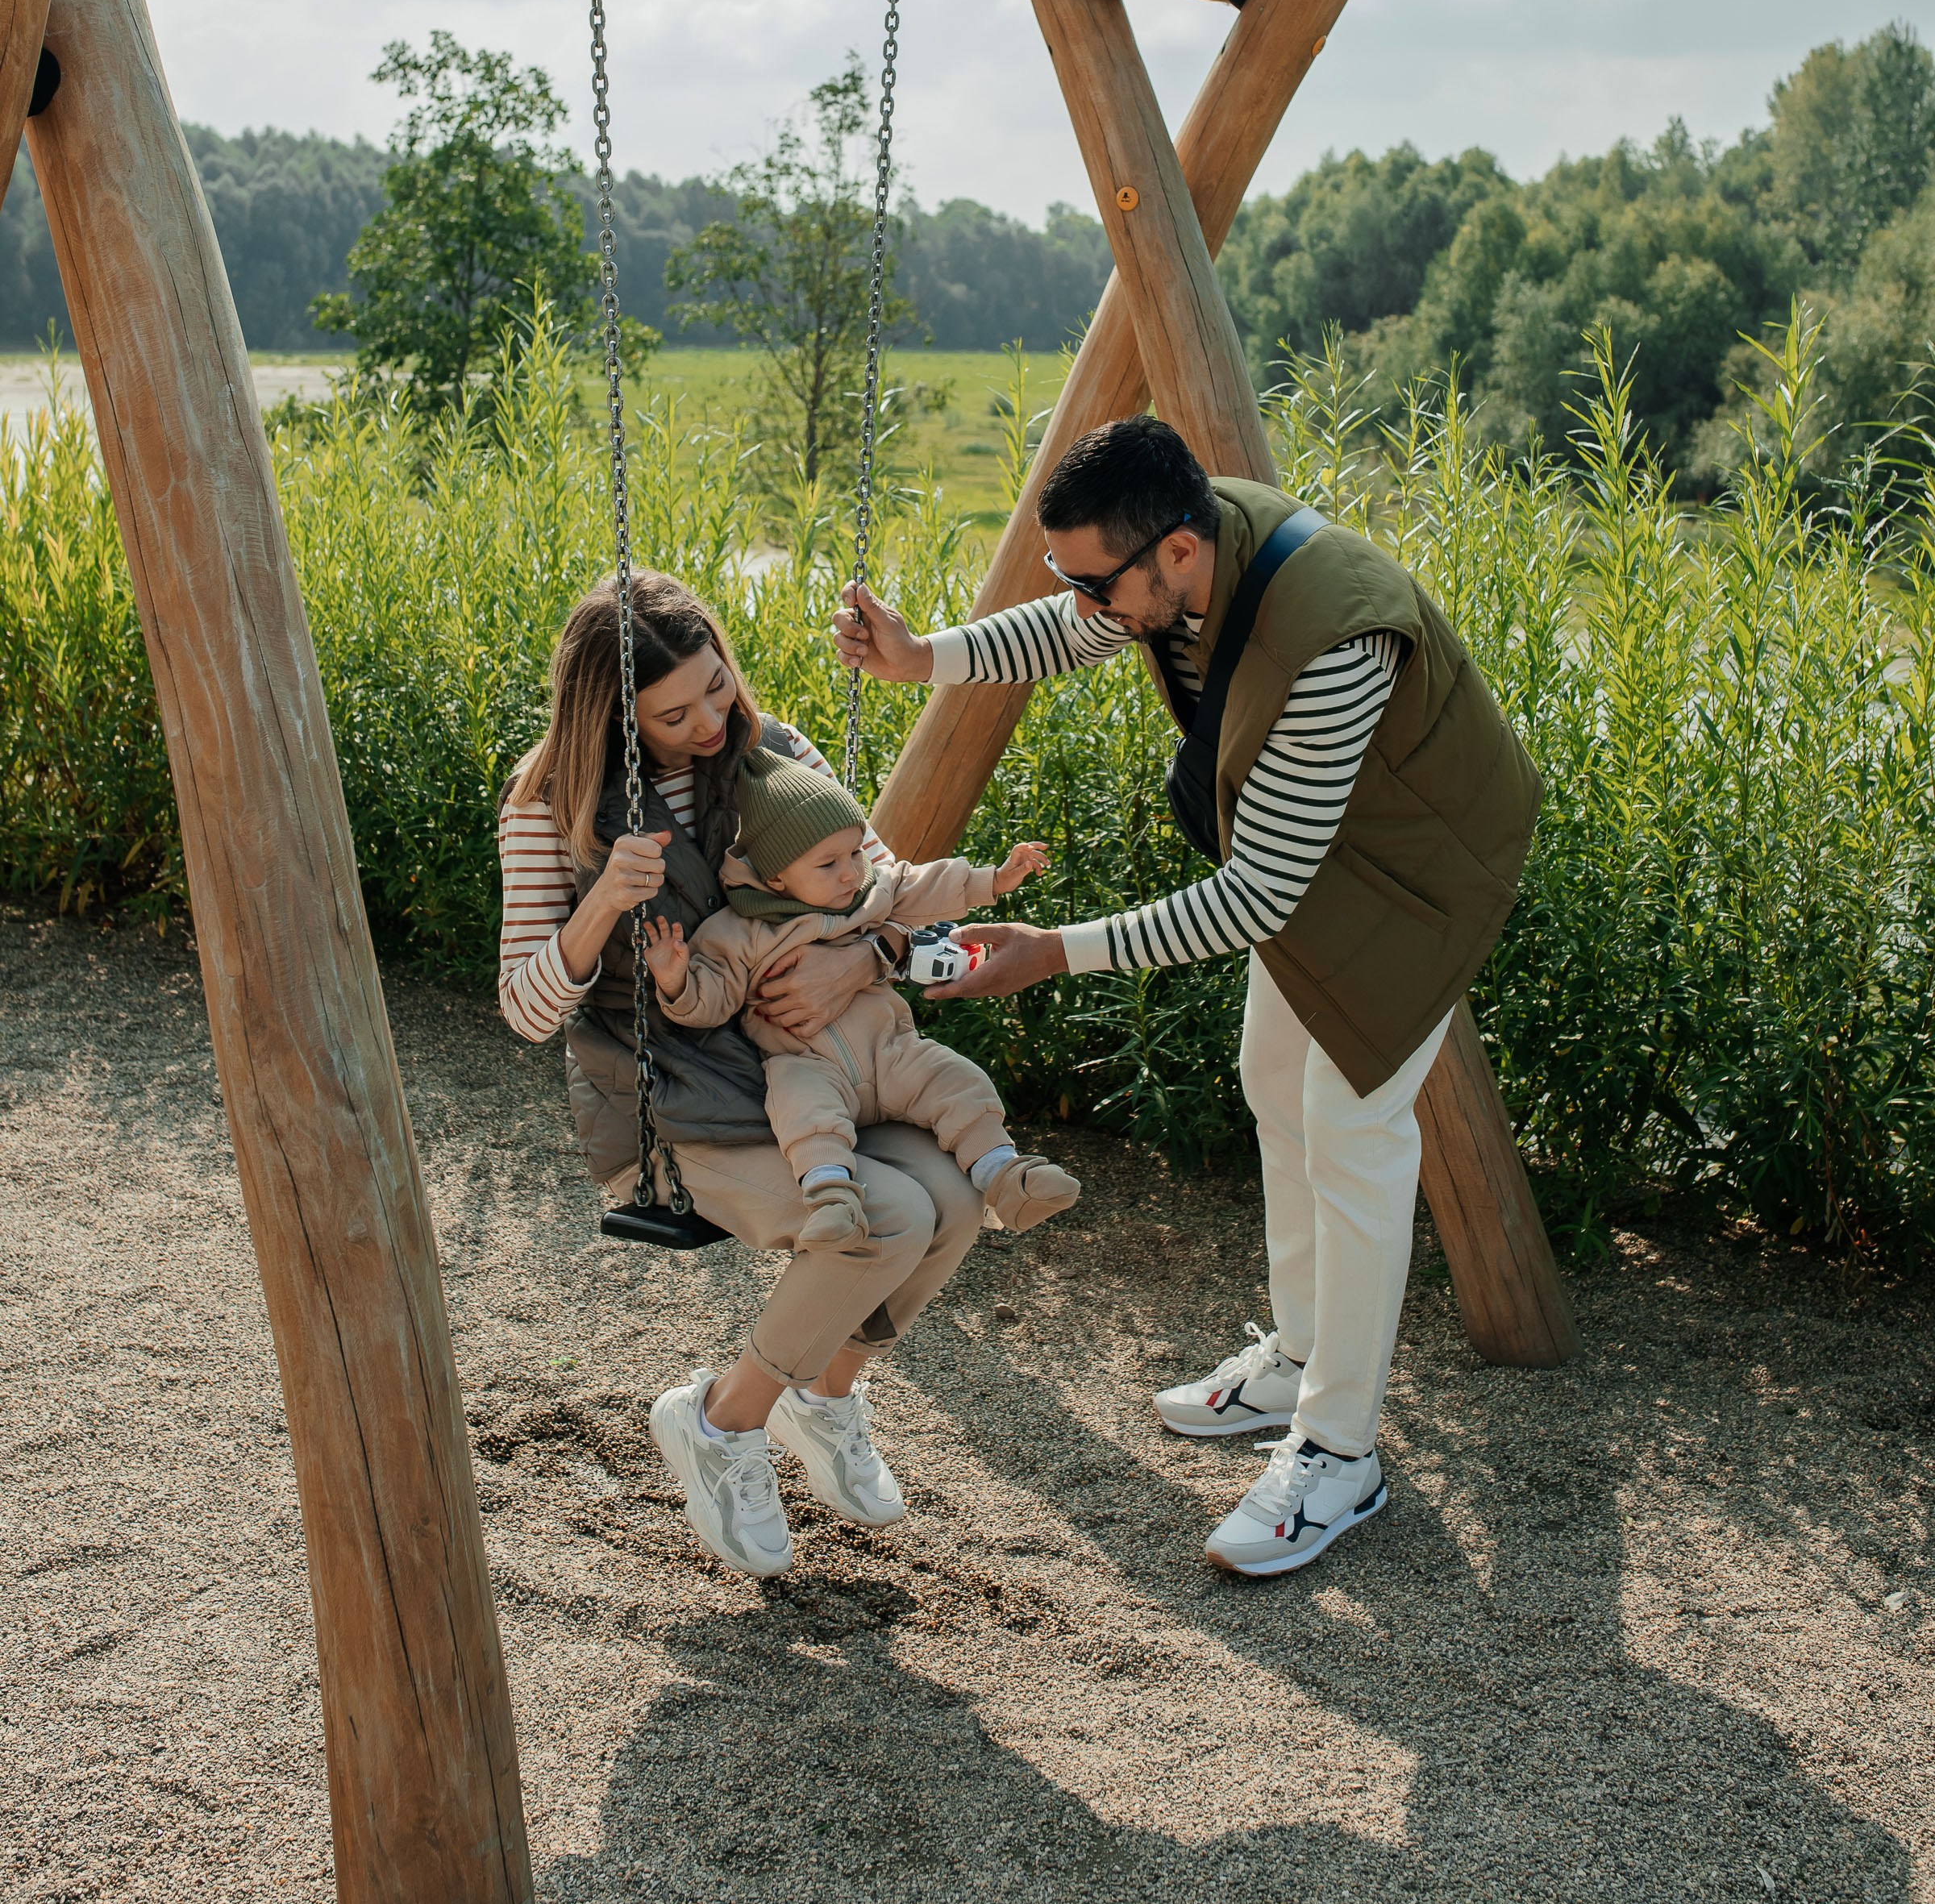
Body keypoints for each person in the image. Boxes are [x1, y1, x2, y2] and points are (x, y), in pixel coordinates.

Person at [833, 417, 1542, 1578]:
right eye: (1072, 578)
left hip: (1422, 870)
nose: (1082, 605)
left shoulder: (1332, 642)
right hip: (1320, 844)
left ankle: (1340, 1450)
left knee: (1354, 1129)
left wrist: (1054, 949)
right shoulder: (1171, 552)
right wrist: (928, 658)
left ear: (1171, 552)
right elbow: (1072, 633)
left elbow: (1255, 898)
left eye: (1095, 583)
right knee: (1276, 1081)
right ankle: (1302, 1355)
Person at [498, 568, 986, 1583]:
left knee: (955, 1193)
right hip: (685, 1103)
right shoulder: (549, 806)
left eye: (717, 688)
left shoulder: (776, 757)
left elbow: (895, 901)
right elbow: (525, 1013)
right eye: (673, 715)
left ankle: (824, 1397)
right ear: (612, 719)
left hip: (820, 1066)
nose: (711, 721)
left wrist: (866, 957)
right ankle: (721, 1424)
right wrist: (599, 912)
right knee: (887, 1215)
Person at [640, 743, 1080, 1241]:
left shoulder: (868, 893)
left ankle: (1007, 1177)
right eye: (828, 864)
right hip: (808, 1063)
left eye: (853, 852)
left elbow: (921, 883)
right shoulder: (740, 931)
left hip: (890, 1051)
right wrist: (677, 980)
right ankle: (832, 1201)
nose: (850, 871)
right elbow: (712, 999)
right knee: (801, 1113)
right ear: (775, 876)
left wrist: (995, 879)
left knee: (955, 1081)